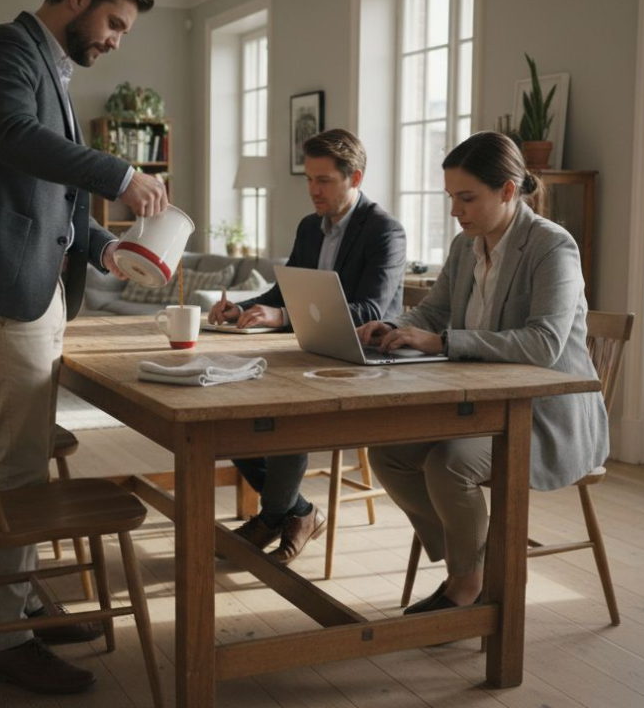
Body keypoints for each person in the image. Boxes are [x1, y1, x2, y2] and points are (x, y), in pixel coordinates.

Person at [0, 0, 166, 696]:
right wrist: (121, 174)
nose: (115, 41)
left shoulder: (50, 69)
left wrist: (105, 248)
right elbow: (15, 141)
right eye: (115, 24)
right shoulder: (4, 48)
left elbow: (46, 196)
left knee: (22, 454)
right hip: (2, 291)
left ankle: (21, 599)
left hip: (26, 288)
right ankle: (7, 638)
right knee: (17, 468)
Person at [357, 131, 607, 613]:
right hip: (477, 405)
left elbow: (544, 343)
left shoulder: (552, 247)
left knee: (450, 463)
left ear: (508, 190)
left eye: (467, 198)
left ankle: (466, 583)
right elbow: (433, 312)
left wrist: (444, 342)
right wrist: (394, 327)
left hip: (543, 415)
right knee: (388, 452)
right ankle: (480, 558)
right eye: (452, 197)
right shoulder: (465, 245)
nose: (456, 210)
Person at [208, 129, 406, 564]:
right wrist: (240, 309)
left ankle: (272, 517)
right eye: (310, 180)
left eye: (324, 181)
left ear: (355, 177)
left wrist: (283, 317)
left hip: (365, 362)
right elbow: (284, 293)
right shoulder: (309, 227)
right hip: (309, 352)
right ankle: (296, 511)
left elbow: (369, 309)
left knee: (285, 411)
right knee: (225, 407)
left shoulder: (385, 231)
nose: (314, 190)